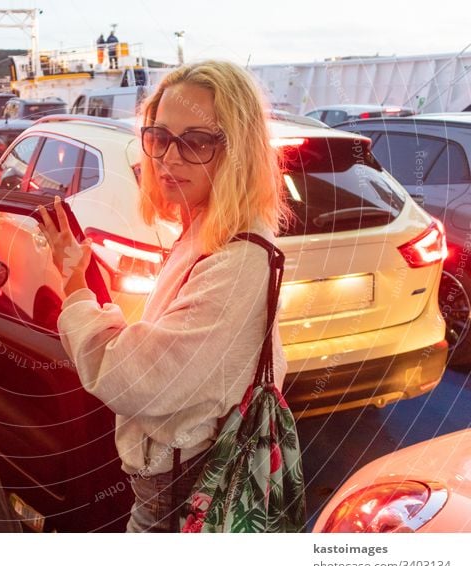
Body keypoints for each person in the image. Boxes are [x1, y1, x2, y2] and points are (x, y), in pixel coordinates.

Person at [37, 60, 290, 532]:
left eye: (196, 141)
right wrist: (83, 272)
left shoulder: (238, 261)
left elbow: (134, 379)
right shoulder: (206, 228)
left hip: (184, 488)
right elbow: (164, 347)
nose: (168, 159)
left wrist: (75, 288)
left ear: (239, 151)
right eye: (159, 137)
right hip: (173, 475)